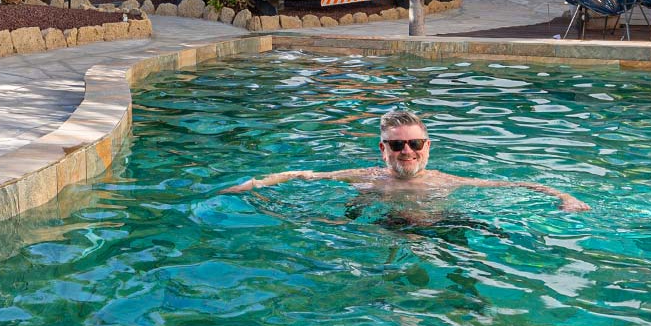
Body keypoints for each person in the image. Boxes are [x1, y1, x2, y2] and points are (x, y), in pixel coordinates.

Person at [224, 107, 589, 212]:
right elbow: (303, 175)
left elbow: (517, 184)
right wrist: (255, 185)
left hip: (439, 232)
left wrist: (565, 197)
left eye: (414, 144)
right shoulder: (361, 176)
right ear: (382, 150)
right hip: (381, 230)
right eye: (397, 146)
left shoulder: (445, 181)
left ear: (428, 146)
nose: (407, 152)